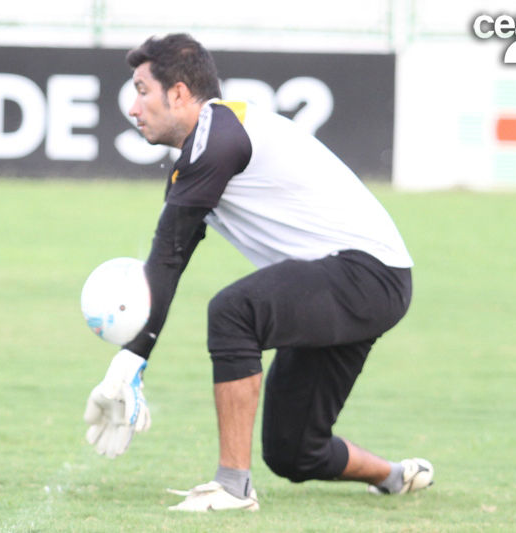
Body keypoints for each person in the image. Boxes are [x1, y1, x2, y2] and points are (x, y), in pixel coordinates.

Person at [82, 33, 433, 512]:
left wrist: (132, 360)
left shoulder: (219, 133)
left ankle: (232, 486)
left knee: (234, 312)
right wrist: (130, 362)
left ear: (180, 93)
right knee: (295, 452)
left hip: (369, 275)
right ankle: (394, 476)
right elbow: (171, 257)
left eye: (142, 90)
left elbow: (167, 256)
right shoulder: (202, 150)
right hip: (356, 281)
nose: (133, 106)